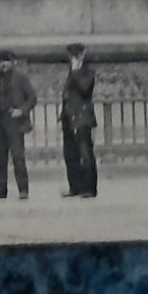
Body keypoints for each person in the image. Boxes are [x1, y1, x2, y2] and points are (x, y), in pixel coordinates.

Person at [0, 50, 36, 201]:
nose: (4, 64)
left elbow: (32, 98)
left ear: (13, 62)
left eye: (7, 61)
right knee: (0, 158)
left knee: (18, 157)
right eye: (1, 61)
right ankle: (1, 190)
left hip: (14, 123)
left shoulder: (21, 77)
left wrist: (21, 111)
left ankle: (23, 190)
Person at [60, 43, 98, 199]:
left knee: (85, 153)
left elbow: (84, 89)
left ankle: (89, 188)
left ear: (82, 55)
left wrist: (75, 71)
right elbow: (67, 96)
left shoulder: (87, 72)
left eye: (76, 56)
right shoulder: (72, 72)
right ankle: (74, 186)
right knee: (70, 154)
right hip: (69, 118)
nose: (73, 59)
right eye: (71, 57)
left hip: (83, 118)